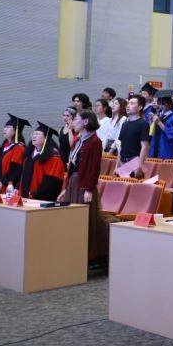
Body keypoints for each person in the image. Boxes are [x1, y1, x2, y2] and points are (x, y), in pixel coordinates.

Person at [59, 110, 105, 261]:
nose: (73, 122)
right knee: (72, 218)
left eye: (76, 119)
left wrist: (89, 189)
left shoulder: (95, 142)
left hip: (84, 184)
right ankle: (72, 250)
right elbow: (71, 167)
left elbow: (94, 168)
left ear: (86, 122)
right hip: (73, 181)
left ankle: (86, 254)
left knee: (84, 220)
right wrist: (65, 187)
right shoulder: (78, 139)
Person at [19, 121, 66, 201]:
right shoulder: (29, 155)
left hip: (41, 200)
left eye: (37, 134)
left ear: (45, 138)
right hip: (25, 197)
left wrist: (35, 195)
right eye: (33, 134)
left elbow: (51, 183)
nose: (34, 136)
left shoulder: (54, 158)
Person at [0, 114, 29, 190]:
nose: (4, 129)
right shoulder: (3, 147)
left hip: (9, 187)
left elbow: (15, 170)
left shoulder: (19, 148)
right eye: (5, 127)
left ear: (16, 131)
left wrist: (2, 183)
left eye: (8, 127)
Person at [149, 91, 173, 159]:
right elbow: (151, 133)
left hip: (167, 149)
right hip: (154, 148)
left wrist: (159, 122)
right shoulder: (158, 115)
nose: (161, 106)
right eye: (159, 103)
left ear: (170, 105)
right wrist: (151, 122)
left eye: (163, 104)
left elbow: (172, 134)